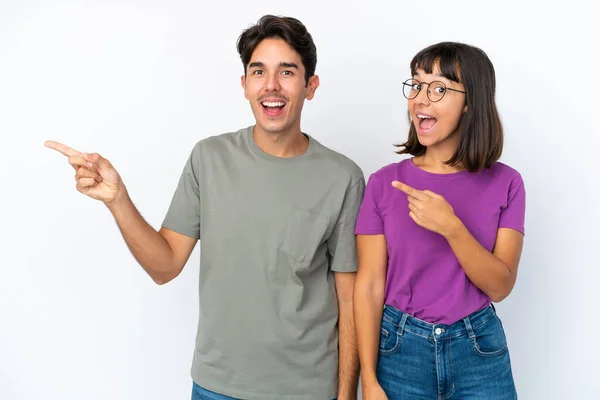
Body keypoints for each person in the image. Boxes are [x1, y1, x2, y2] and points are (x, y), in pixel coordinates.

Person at [45, 15, 363, 400]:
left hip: (307, 390)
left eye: (288, 72)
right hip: (217, 387)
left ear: (310, 86)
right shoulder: (208, 159)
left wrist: (347, 395)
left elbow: (350, 300)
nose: (271, 86)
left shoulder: (342, 177)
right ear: (244, 85)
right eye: (258, 71)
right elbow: (164, 268)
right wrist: (118, 200)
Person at [353, 42, 525, 400]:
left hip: (479, 351)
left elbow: (500, 287)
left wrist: (452, 227)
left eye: (439, 88)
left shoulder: (508, 183)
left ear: (470, 104)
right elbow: (369, 286)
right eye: (416, 85)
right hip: (400, 352)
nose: (420, 99)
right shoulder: (384, 183)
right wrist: (368, 380)